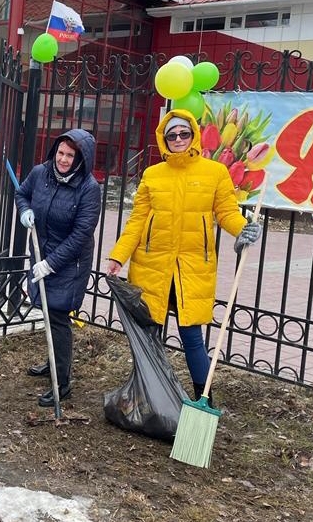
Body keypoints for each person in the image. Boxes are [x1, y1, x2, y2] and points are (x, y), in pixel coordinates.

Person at [106, 109, 262, 405]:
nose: (178, 139)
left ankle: (204, 400)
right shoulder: (152, 175)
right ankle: (149, 396)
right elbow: (137, 221)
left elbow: (226, 212)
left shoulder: (214, 172)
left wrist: (243, 230)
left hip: (192, 269)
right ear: (163, 139)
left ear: (194, 135)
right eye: (172, 135)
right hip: (153, 267)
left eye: (184, 134)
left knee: (192, 338)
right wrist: (118, 257)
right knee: (150, 337)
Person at [14, 129, 101, 407]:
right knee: (47, 312)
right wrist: (24, 210)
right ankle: (52, 362)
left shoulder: (89, 189)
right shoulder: (42, 173)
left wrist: (51, 265)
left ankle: (62, 382)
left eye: (70, 155)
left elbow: (81, 235)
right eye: (60, 153)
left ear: (81, 159)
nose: (63, 160)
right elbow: (22, 193)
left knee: (58, 317)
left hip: (69, 262)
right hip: (43, 252)